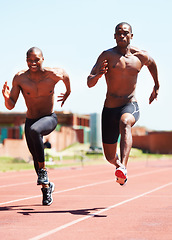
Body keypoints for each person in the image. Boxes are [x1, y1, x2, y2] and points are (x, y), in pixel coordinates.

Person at [87, 22, 159, 186]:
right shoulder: (107, 55)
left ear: (131, 36)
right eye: (118, 33)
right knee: (109, 157)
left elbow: (152, 63)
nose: (122, 35)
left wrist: (156, 86)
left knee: (125, 122)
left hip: (129, 105)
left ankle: (124, 168)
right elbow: (89, 82)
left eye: (125, 33)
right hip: (109, 109)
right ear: (114, 36)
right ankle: (118, 165)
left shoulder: (140, 56)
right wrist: (98, 75)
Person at [2, 47, 71, 204]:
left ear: (43, 59)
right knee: (35, 158)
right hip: (31, 120)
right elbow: (11, 105)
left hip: (49, 118)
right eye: (29, 59)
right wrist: (6, 98)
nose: (33, 63)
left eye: (36, 59)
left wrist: (68, 92)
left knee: (35, 131)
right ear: (26, 60)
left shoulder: (53, 74)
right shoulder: (20, 78)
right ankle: (47, 188)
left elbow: (65, 75)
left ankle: (43, 171)